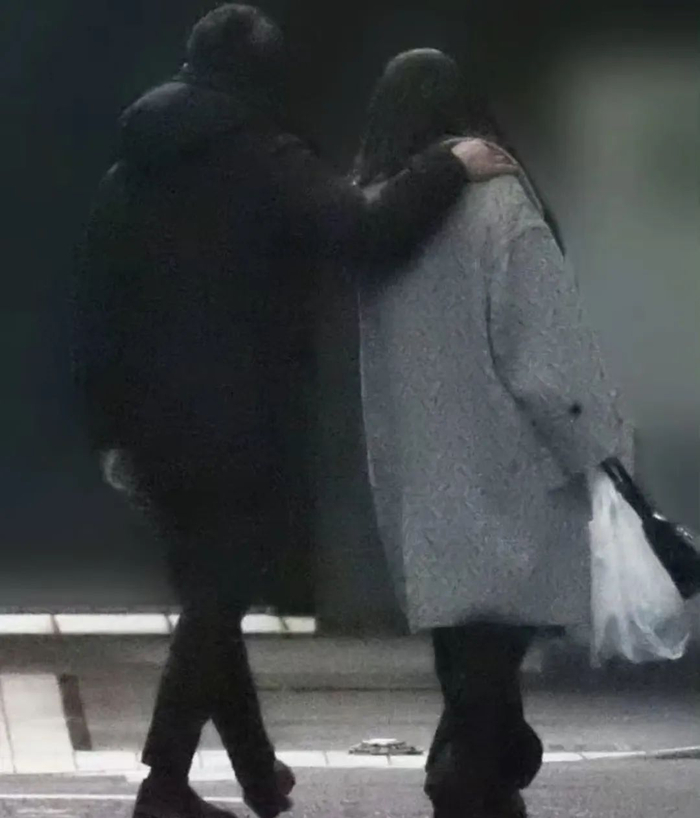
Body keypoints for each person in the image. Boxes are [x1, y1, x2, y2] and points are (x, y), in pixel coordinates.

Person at [72, 5, 518, 816]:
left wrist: (109, 431)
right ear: (259, 74)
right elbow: (367, 231)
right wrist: (449, 166)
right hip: (238, 419)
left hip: (151, 426)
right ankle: (165, 781)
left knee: (210, 601)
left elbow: (98, 307)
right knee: (218, 599)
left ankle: (256, 778)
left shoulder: (130, 169)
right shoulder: (263, 158)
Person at [353, 49, 633, 818]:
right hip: (506, 461)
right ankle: (472, 776)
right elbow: (545, 345)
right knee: (494, 652)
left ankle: (486, 772)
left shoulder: (375, 213)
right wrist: (597, 444)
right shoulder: (499, 206)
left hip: (420, 471)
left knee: (466, 651)